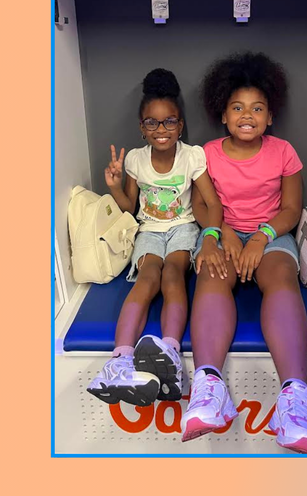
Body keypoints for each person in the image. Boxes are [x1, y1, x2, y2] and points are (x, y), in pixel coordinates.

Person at [184, 52, 307, 453]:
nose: (248, 115)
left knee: (281, 279)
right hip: (219, 230)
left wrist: (261, 237)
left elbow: (292, 210)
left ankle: (294, 403)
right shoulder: (206, 153)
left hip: (271, 233)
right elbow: (200, 205)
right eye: (238, 107)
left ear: (270, 116)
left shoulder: (283, 151)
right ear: (223, 115)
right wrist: (219, 232)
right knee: (211, 276)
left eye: (257, 108)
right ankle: (209, 389)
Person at [86, 69, 223, 407]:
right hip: (148, 230)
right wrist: (116, 187)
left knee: (172, 275)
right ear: (141, 127)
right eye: (152, 123)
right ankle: (119, 361)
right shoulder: (135, 158)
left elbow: (212, 202)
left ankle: (171, 354)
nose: (161, 131)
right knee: (147, 279)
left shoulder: (192, 156)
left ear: (180, 125)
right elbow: (129, 207)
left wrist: (210, 236)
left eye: (169, 122)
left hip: (184, 228)